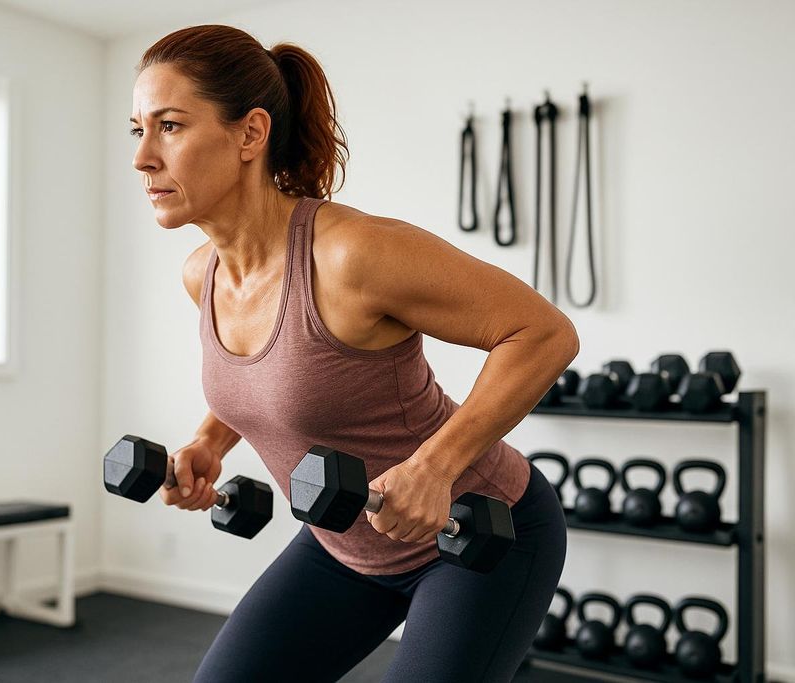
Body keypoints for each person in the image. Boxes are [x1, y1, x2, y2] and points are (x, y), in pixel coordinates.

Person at [130, 24, 578, 683]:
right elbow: (280, 373)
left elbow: (543, 333)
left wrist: (433, 466)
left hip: (481, 534)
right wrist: (208, 441)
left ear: (250, 134)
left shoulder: (350, 255)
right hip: (343, 547)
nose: (143, 156)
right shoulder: (203, 274)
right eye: (136, 130)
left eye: (169, 126)